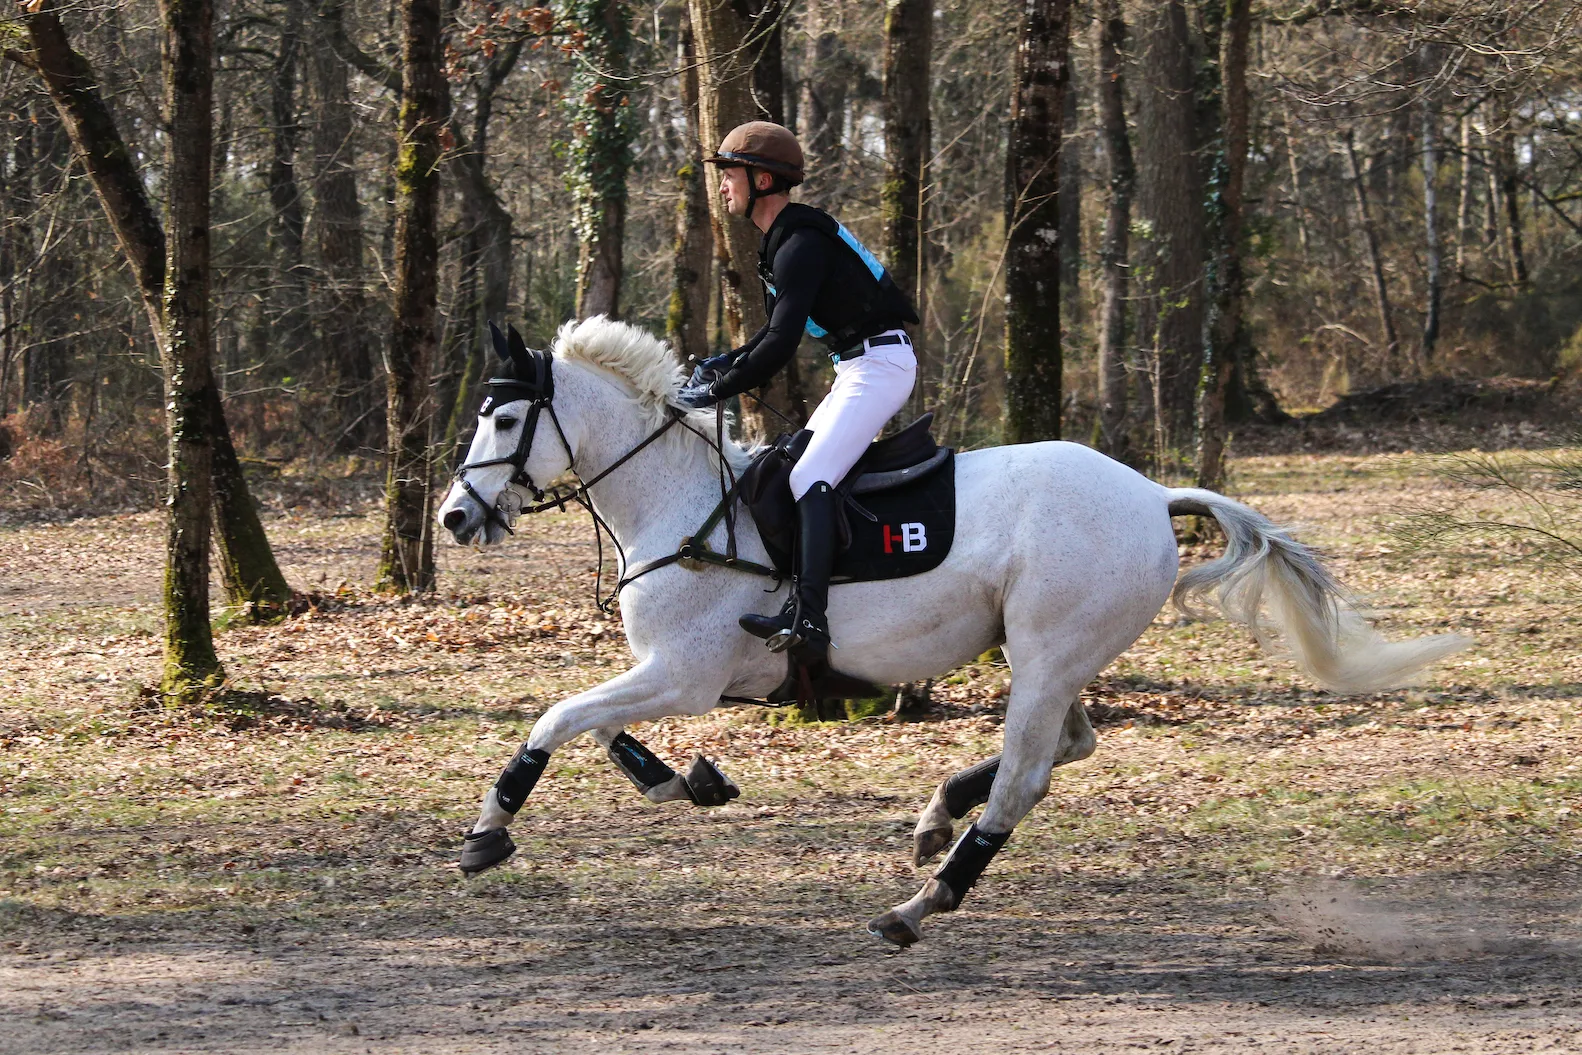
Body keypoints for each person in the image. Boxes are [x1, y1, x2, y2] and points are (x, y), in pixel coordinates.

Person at [677, 121, 920, 676]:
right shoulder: (784, 239)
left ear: (762, 180)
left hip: (879, 365)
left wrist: (719, 389)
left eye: (729, 175)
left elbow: (783, 344)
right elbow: (769, 335)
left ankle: (810, 618)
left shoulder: (800, 244)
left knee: (811, 477)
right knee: (795, 472)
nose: (721, 186)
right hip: (861, 365)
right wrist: (721, 364)